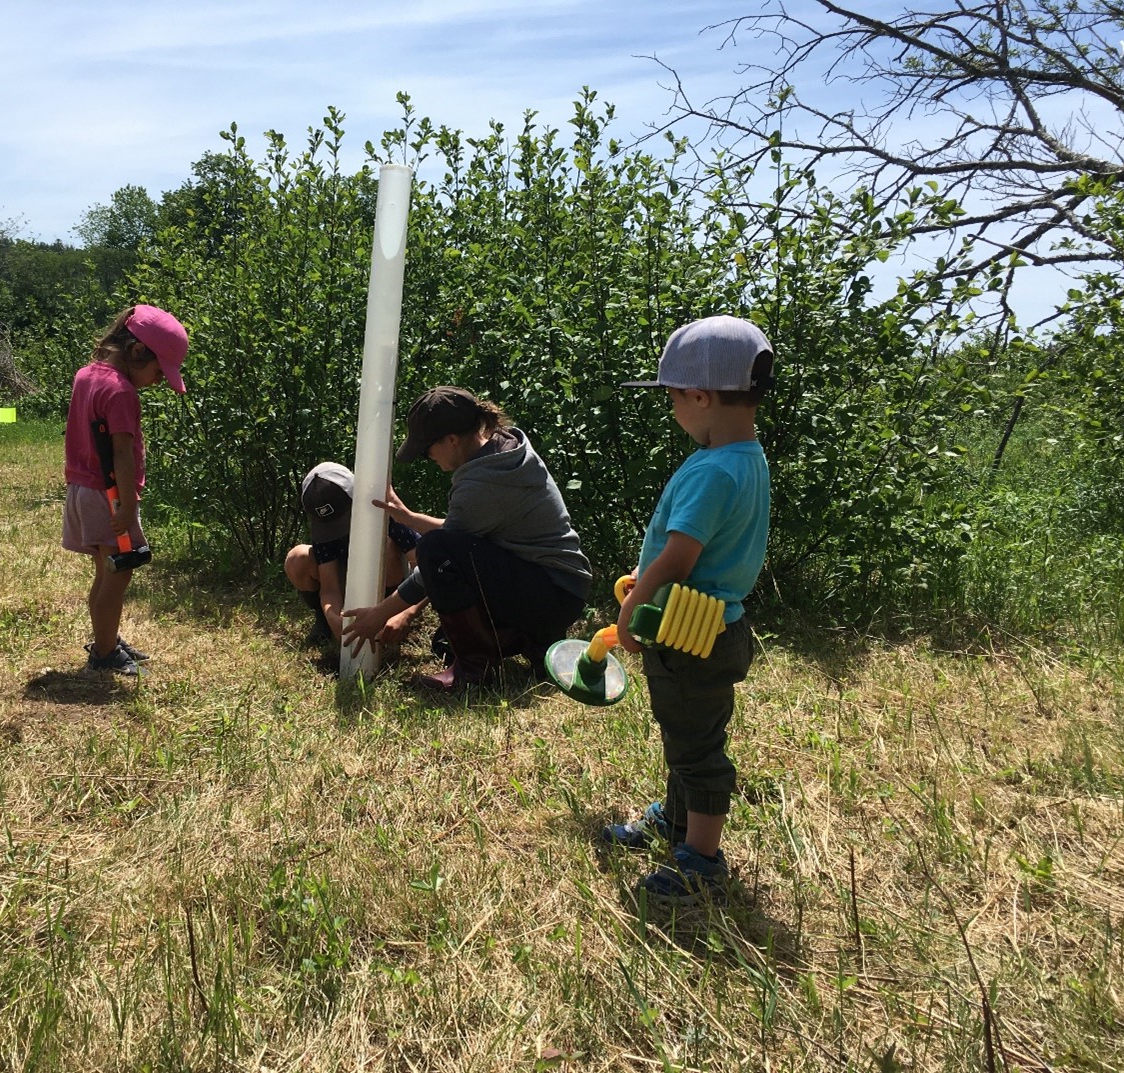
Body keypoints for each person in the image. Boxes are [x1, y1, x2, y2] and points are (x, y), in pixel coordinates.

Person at [604, 315, 774, 911]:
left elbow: (679, 557)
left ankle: (701, 860)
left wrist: (633, 605)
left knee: (697, 747)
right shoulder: (748, 458)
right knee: (687, 732)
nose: (673, 409)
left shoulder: (710, 469)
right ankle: (674, 819)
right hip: (718, 624)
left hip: (687, 634)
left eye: (673, 396)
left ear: (699, 396)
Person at [341, 386, 592, 690]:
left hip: (550, 593)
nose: (426, 456)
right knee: (446, 642)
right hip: (558, 586)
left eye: (426, 448)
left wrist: (379, 614)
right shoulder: (503, 451)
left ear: (452, 440)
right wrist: (406, 516)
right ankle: (534, 642)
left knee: (432, 549)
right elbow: (464, 533)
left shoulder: (483, 484)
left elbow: (443, 554)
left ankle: (474, 675)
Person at [61, 304, 188, 676]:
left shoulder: (86, 375)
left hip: (82, 489)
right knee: (118, 574)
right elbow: (121, 452)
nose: (159, 380)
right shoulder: (122, 393)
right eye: (158, 371)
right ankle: (103, 655)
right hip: (109, 495)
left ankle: (107, 638)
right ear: (137, 351)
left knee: (106, 572)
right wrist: (128, 506)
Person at [284, 461, 425, 647]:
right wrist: (331, 616)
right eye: (330, 526)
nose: (338, 530)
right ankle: (323, 623)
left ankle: (387, 615)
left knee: (385, 545)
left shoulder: (384, 510)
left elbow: (426, 567)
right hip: (348, 578)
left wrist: (407, 613)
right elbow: (330, 588)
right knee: (297, 558)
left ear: (356, 497)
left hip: (394, 587)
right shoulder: (323, 530)